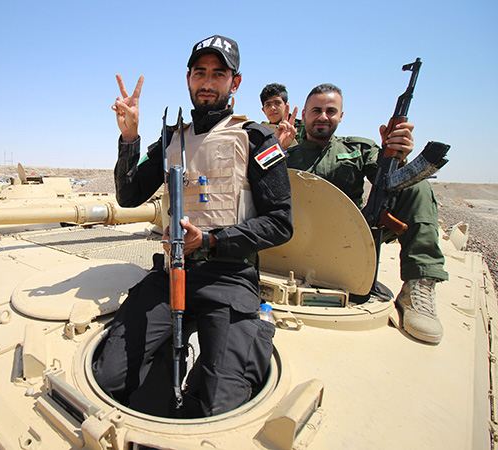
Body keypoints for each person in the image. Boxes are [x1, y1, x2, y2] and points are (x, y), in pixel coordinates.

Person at [93, 35, 293, 417]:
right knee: (110, 377)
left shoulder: (256, 137)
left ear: (235, 83)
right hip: (171, 275)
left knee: (223, 401)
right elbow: (129, 196)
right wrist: (130, 137)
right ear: (188, 78)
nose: (207, 81)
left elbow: (280, 223)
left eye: (219, 74)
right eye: (200, 72)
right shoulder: (171, 138)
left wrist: (214, 239)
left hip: (229, 279)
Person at [284, 83, 448, 344]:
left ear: (341, 116)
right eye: (316, 110)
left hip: (353, 239)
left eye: (331, 110)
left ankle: (418, 284)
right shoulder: (286, 155)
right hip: (296, 240)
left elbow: (391, 182)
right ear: (304, 115)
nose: (323, 116)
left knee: (417, 187)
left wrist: (396, 156)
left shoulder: (359, 149)